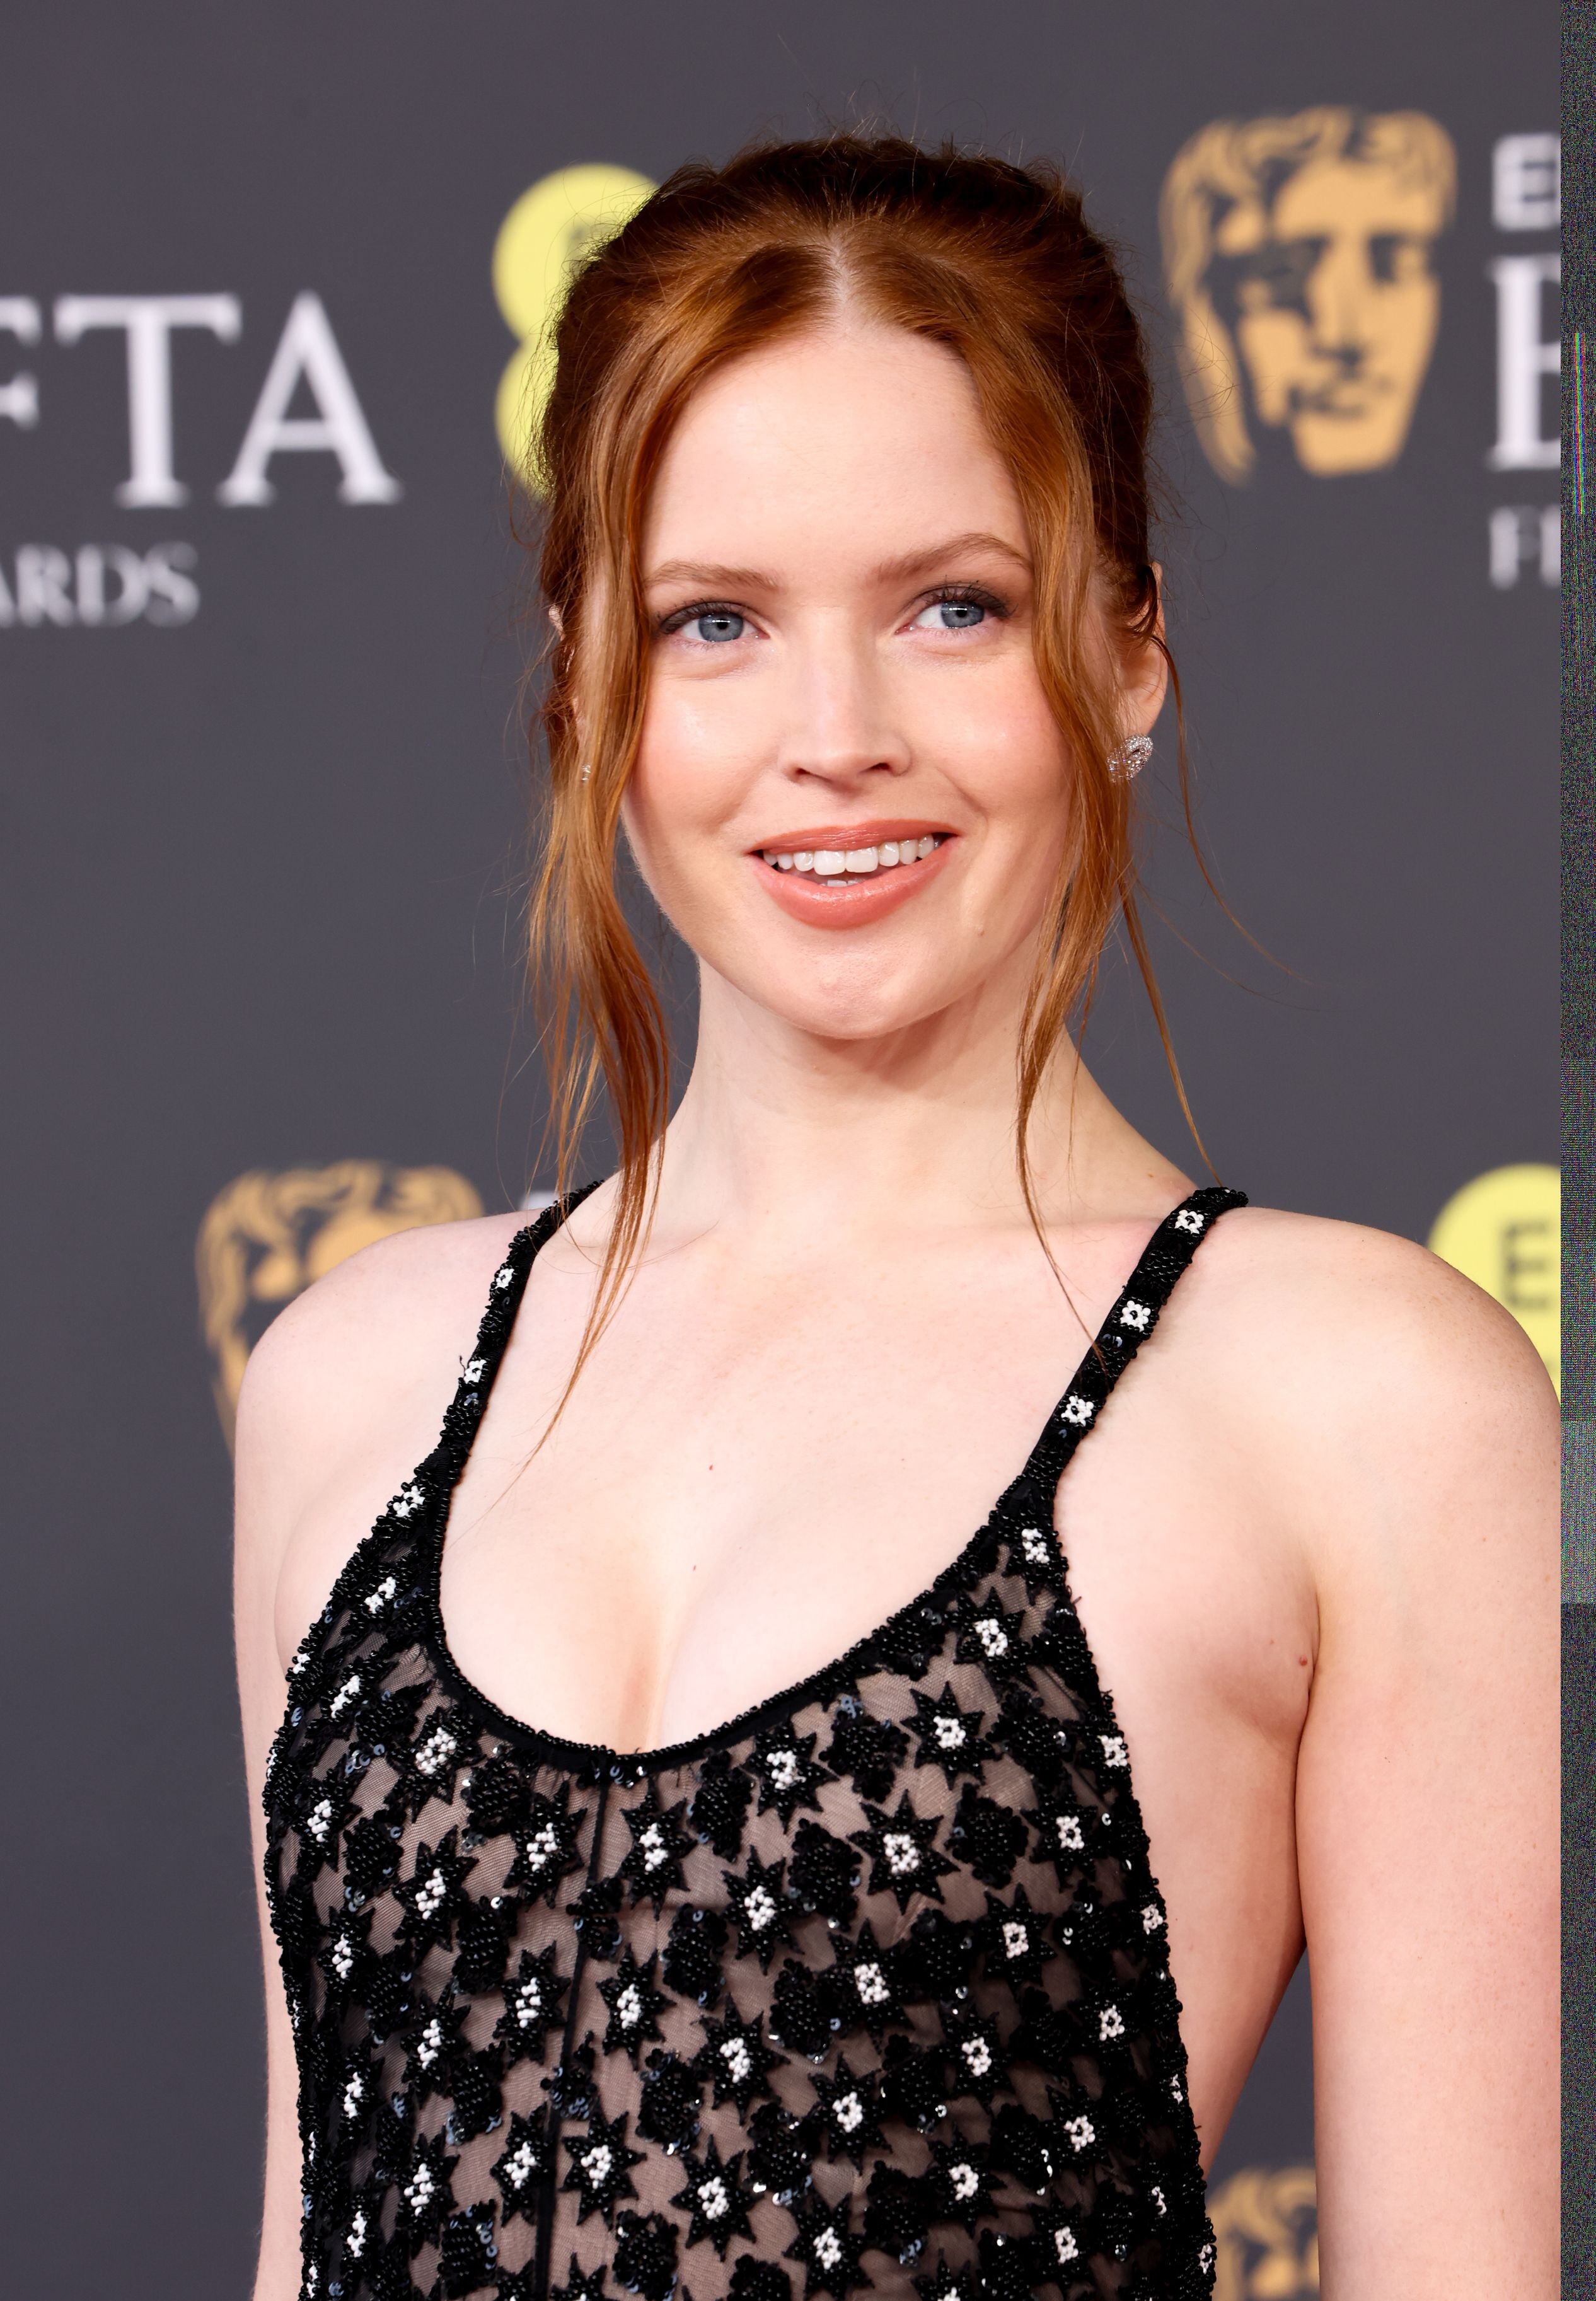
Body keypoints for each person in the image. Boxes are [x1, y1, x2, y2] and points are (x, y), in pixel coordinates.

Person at [234, 138, 1556, 2301]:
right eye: (715, 623)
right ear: (584, 682)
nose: (832, 737)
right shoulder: (353, 1377)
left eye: (952, 607)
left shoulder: (1350, 1396)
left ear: (1125, 653)